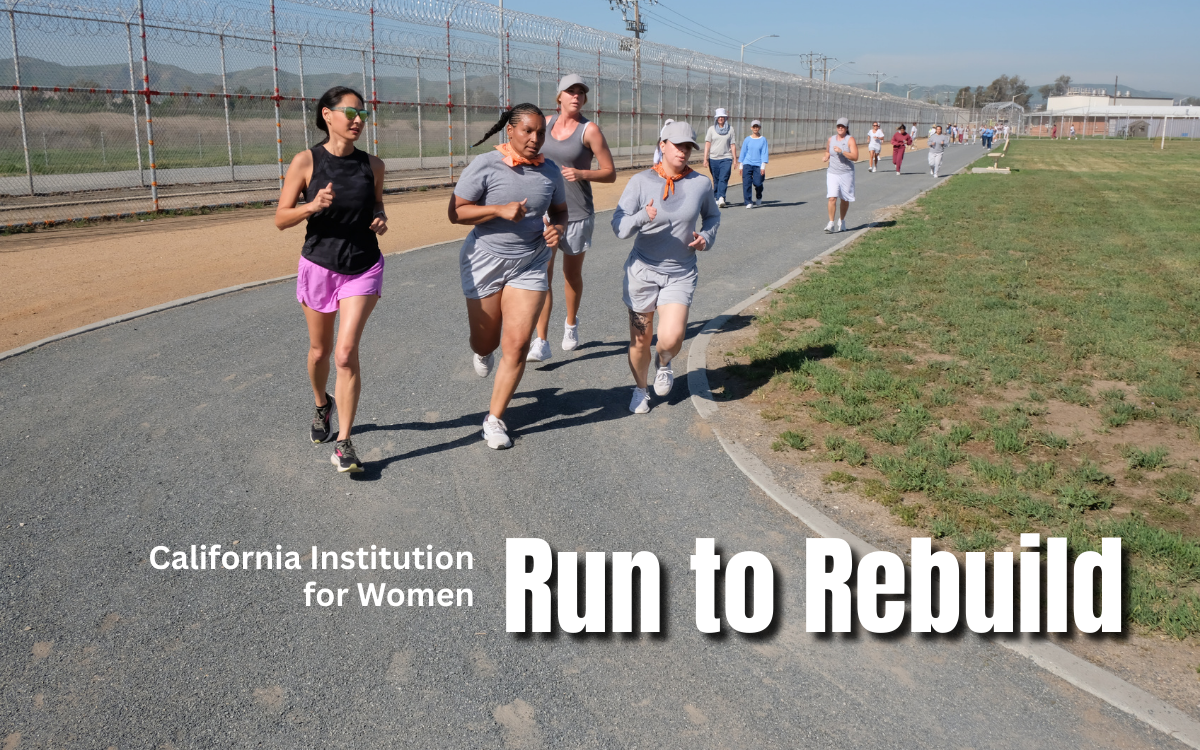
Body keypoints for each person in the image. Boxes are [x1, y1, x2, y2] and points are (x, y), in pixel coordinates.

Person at [275, 86, 387, 474]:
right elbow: (280, 218)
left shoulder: (374, 165)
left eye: (362, 114)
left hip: (363, 265)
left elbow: (377, 203)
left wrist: (380, 217)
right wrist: (312, 206)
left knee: (344, 354)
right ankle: (322, 404)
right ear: (327, 115)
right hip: (319, 266)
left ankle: (345, 443)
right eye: (349, 113)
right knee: (319, 351)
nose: (358, 120)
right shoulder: (306, 161)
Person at [448, 103, 568, 450]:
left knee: (516, 345)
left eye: (541, 132)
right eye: (527, 131)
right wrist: (497, 210)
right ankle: (483, 352)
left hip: (530, 261)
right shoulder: (485, 164)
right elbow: (455, 213)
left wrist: (557, 229)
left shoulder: (550, 171)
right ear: (510, 131)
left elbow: (560, 210)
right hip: (484, 259)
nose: (534, 138)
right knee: (487, 342)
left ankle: (495, 419)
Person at [612, 121, 720, 414]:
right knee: (640, 340)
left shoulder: (700, 184)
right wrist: (640, 218)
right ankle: (640, 389)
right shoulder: (640, 182)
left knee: (670, 339)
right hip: (642, 273)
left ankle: (664, 362)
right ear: (663, 145)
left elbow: (712, 217)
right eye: (678, 145)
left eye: (688, 147)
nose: (684, 152)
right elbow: (619, 227)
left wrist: (706, 238)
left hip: (680, 272)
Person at [528, 74, 615, 362]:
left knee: (571, 275)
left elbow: (610, 172)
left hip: (577, 213)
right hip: (546, 213)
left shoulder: (589, 130)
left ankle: (571, 323)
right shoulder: (546, 125)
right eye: (570, 91)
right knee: (543, 275)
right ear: (559, 96)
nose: (576, 96)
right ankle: (541, 340)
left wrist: (582, 174)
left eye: (581, 92)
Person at [823, 117, 859, 232]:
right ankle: (831, 223)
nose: (840, 128)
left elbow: (855, 157)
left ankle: (842, 220)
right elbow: (828, 150)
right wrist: (826, 156)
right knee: (832, 198)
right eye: (838, 126)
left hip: (846, 173)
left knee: (844, 199)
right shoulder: (831, 139)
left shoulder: (850, 140)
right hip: (832, 172)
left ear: (847, 128)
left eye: (842, 126)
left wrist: (842, 151)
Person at [703, 108, 739, 206]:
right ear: (716, 118)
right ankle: (716, 197)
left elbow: (732, 145)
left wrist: (735, 160)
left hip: (726, 158)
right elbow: (707, 144)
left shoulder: (730, 129)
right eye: (719, 117)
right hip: (713, 158)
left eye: (722, 117)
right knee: (716, 179)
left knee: (724, 177)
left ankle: (721, 197)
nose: (720, 119)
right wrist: (705, 158)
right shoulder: (711, 129)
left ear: (725, 118)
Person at [738, 119, 769, 208]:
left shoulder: (763, 140)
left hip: (758, 165)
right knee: (746, 183)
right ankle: (748, 202)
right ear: (751, 128)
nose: (755, 128)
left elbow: (764, 152)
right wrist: (741, 165)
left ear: (760, 128)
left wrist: (763, 166)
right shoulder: (747, 139)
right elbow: (743, 152)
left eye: (757, 126)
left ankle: (759, 195)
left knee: (758, 183)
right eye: (754, 126)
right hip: (747, 163)